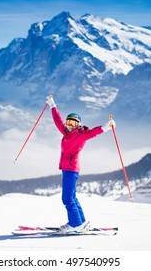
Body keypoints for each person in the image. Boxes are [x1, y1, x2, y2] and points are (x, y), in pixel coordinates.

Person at [46, 95, 116, 234]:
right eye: (68, 123)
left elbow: (93, 133)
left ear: (78, 124)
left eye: (73, 123)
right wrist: (52, 106)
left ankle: (75, 224)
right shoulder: (66, 132)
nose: (69, 125)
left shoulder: (81, 135)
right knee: (72, 197)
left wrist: (106, 127)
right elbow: (58, 121)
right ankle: (81, 222)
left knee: (67, 198)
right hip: (68, 169)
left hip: (71, 169)